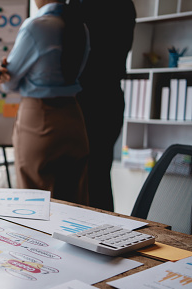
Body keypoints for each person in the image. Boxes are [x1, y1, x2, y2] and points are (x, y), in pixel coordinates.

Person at [0, 0, 90, 205]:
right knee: (74, 204)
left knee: (34, 204)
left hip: (39, 119)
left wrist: (0, 73)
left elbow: (10, 82)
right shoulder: (80, 26)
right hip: (74, 117)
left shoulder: (36, 26)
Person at [76, 0, 136, 212]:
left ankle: (97, 235)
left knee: (85, 179)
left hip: (88, 99)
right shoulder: (125, 5)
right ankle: (103, 234)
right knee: (99, 175)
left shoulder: (84, 7)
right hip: (110, 98)